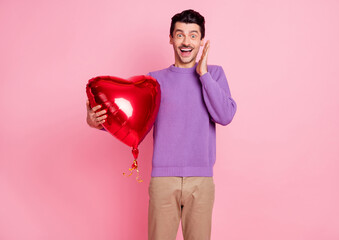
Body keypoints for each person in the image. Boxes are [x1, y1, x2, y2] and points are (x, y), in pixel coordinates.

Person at [86, 9, 236, 240]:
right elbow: (136, 122)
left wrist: (203, 74)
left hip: (201, 181)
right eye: (180, 34)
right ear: (171, 38)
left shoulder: (214, 75)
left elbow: (225, 116)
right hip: (163, 182)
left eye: (193, 35)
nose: (186, 42)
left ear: (201, 41)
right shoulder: (153, 82)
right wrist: (99, 124)